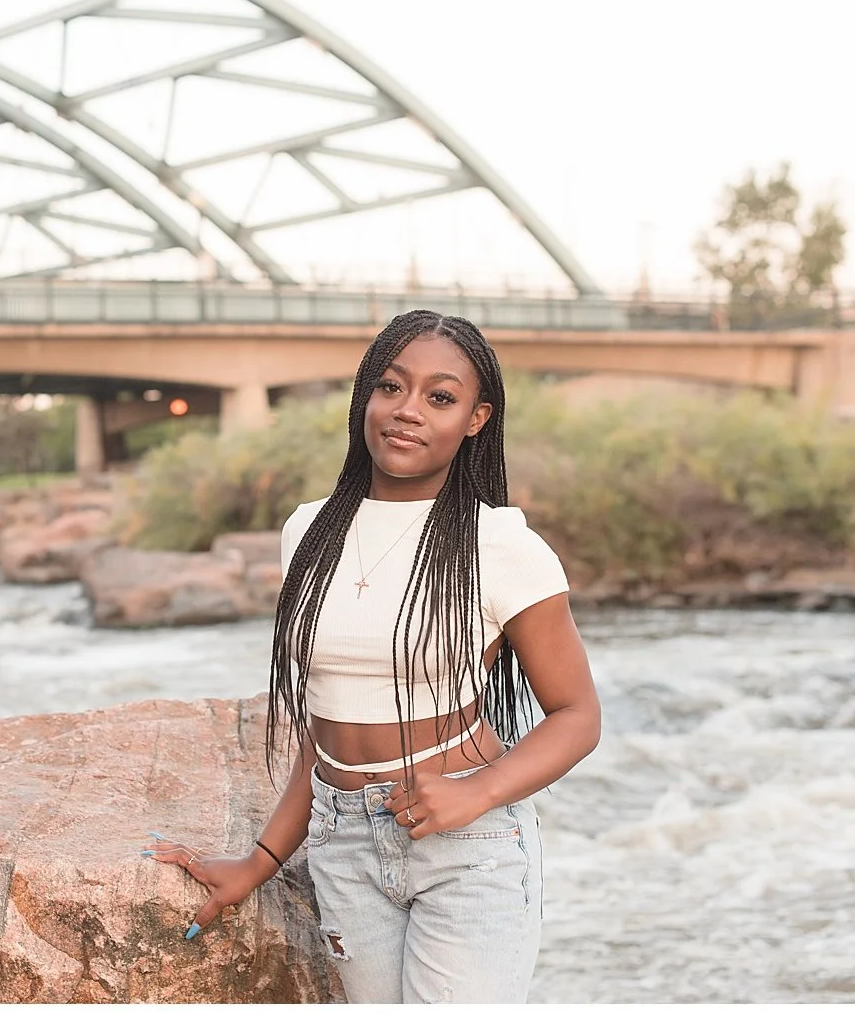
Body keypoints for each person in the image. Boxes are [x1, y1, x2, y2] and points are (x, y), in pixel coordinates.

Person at [144, 309, 601, 1003]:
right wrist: (260, 861)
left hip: (465, 842)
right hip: (341, 844)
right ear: (365, 395)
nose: (407, 410)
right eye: (391, 387)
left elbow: (578, 714)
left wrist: (476, 791)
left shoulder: (500, 546)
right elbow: (327, 721)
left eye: (439, 397)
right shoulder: (309, 529)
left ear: (476, 418)